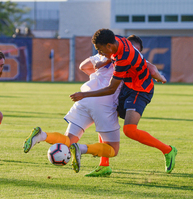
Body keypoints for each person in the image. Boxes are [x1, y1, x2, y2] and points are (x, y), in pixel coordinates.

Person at [70, 29, 177, 174]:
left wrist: (84, 95)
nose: (100, 54)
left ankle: (168, 150)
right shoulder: (117, 40)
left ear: (109, 46)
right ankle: (104, 165)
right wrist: (106, 59)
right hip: (127, 87)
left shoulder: (124, 58)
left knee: (129, 130)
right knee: (104, 114)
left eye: (101, 50)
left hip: (140, 90)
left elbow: (111, 89)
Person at [23, 52, 122, 174]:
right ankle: (81, 149)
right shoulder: (126, 57)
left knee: (69, 141)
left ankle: (42, 135)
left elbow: (83, 66)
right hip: (104, 103)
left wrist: (99, 74)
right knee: (113, 149)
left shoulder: (100, 56)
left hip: (84, 100)